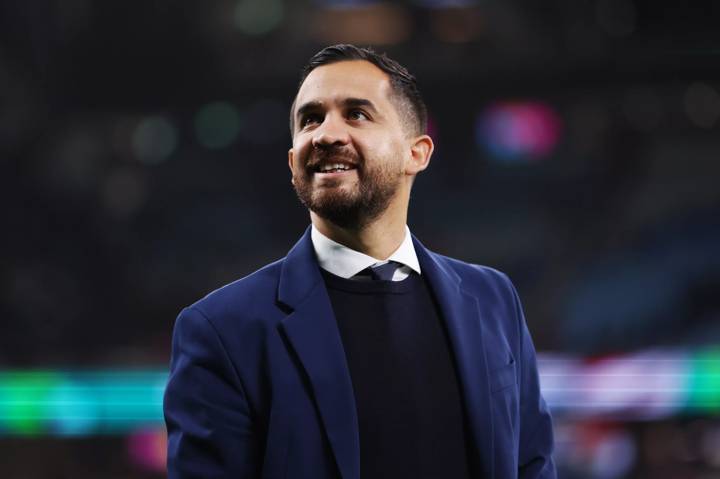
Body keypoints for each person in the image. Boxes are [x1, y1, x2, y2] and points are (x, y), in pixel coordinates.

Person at [164, 44, 556, 479]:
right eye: (310, 119)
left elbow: (532, 464)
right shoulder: (221, 330)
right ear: (294, 162)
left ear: (417, 153)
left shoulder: (494, 298)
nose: (326, 134)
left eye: (356, 114)